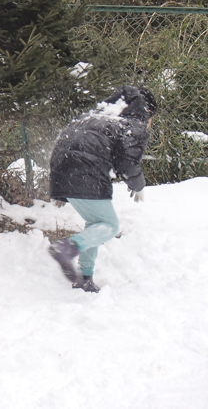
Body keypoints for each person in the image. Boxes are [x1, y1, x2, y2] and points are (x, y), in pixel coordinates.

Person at [48, 85, 158, 292]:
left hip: (61, 171)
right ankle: (68, 247)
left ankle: (85, 278)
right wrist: (138, 185)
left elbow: (67, 145)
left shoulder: (91, 116)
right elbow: (128, 162)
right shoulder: (134, 126)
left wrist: (61, 189)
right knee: (109, 225)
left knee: (96, 224)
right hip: (87, 174)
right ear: (147, 110)